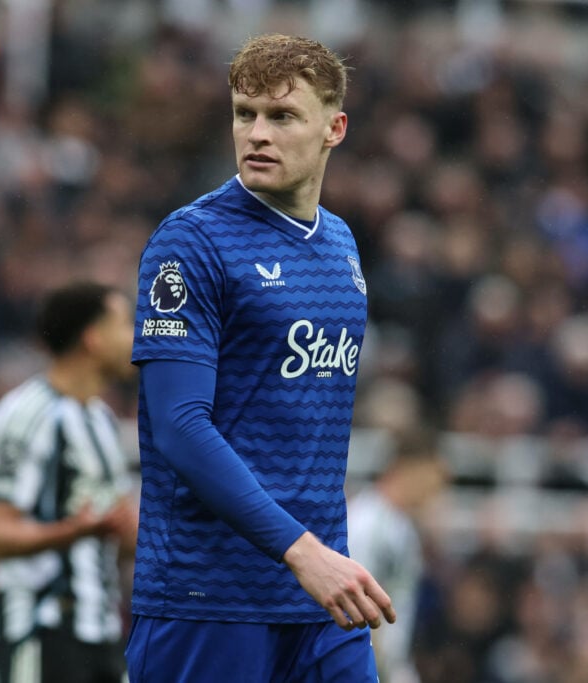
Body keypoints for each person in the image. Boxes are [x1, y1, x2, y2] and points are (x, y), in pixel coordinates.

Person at [125, 33, 395, 683]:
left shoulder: (341, 246)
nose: (257, 134)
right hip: (209, 599)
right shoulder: (192, 240)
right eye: (245, 114)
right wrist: (301, 551)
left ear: (334, 128)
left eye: (282, 116)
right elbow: (181, 426)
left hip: (322, 598)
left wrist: (320, 558)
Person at [0, 281, 138, 683]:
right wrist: (74, 531)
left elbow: (113, 536)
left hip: (101, 633)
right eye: (125, 324)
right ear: (93, 338)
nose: (135, 336)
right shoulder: (26, 416)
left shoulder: (100, 421)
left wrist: (130, 532)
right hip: (41, 631)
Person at [347, 428, 448, 683]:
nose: (437, 489)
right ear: (409, 468)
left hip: (389, 665)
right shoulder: (368, 522)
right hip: (365, 664)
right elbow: (356, 600)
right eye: (434, 476)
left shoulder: (401, 527)